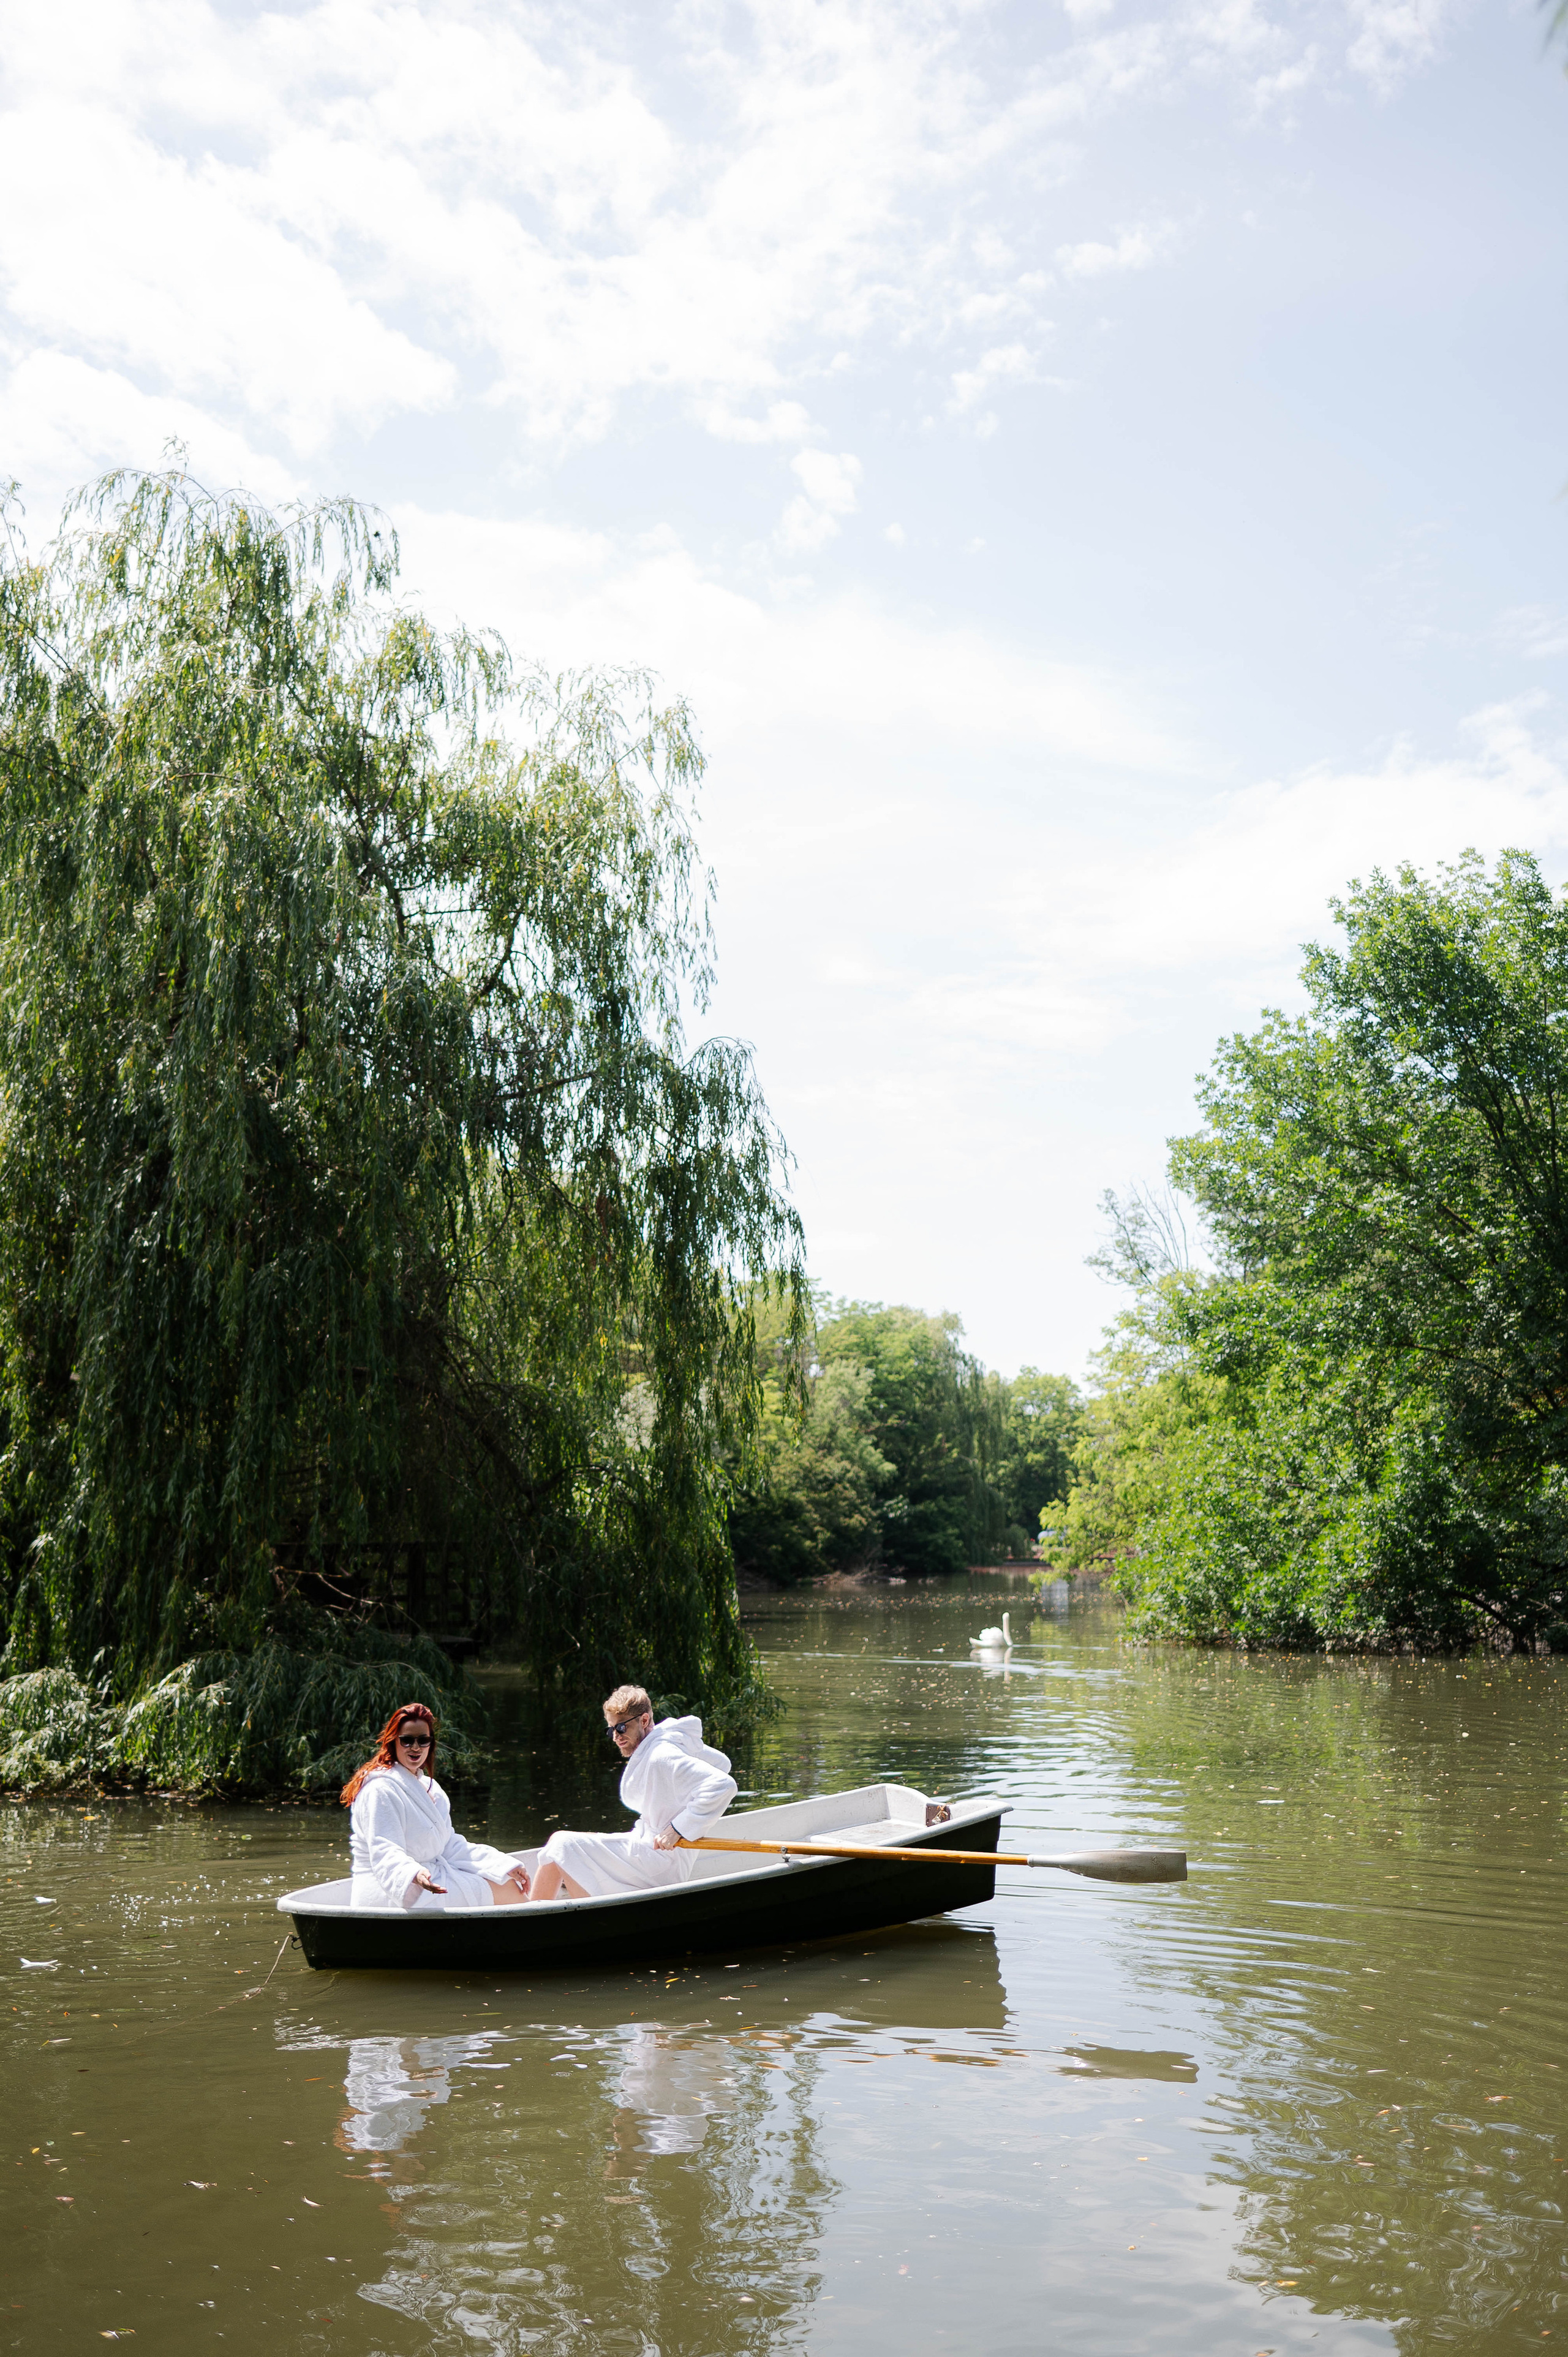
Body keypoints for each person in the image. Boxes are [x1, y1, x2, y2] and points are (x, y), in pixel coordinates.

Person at [528, 1684, 737, 1902]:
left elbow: (723, 1785)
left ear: (644, 1720)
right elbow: (721, 1763)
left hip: (662, 1860)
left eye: (621, 1728)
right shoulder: (662, 1744)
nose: (615, 1737)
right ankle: (537, 1913)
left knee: (563, 1845)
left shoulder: (662, 1754)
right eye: (611, 1730)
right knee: (559, 1845)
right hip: (650, 1849)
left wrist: (677, 1829)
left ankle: (578, 1915)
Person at [342, 1703, 531, 1909]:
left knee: (504, 1880)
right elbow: (385, 1849)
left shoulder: (429, 1788)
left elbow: (448, 1845)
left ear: (431, 1744)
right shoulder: (380, 1789)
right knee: (505, 1890)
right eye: (407, 1740)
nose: (416, 1748)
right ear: (393, 1742)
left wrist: (502, 1865)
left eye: (423, 1740)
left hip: (428, 1878)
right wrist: (414, 1874)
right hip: (392, 1889)